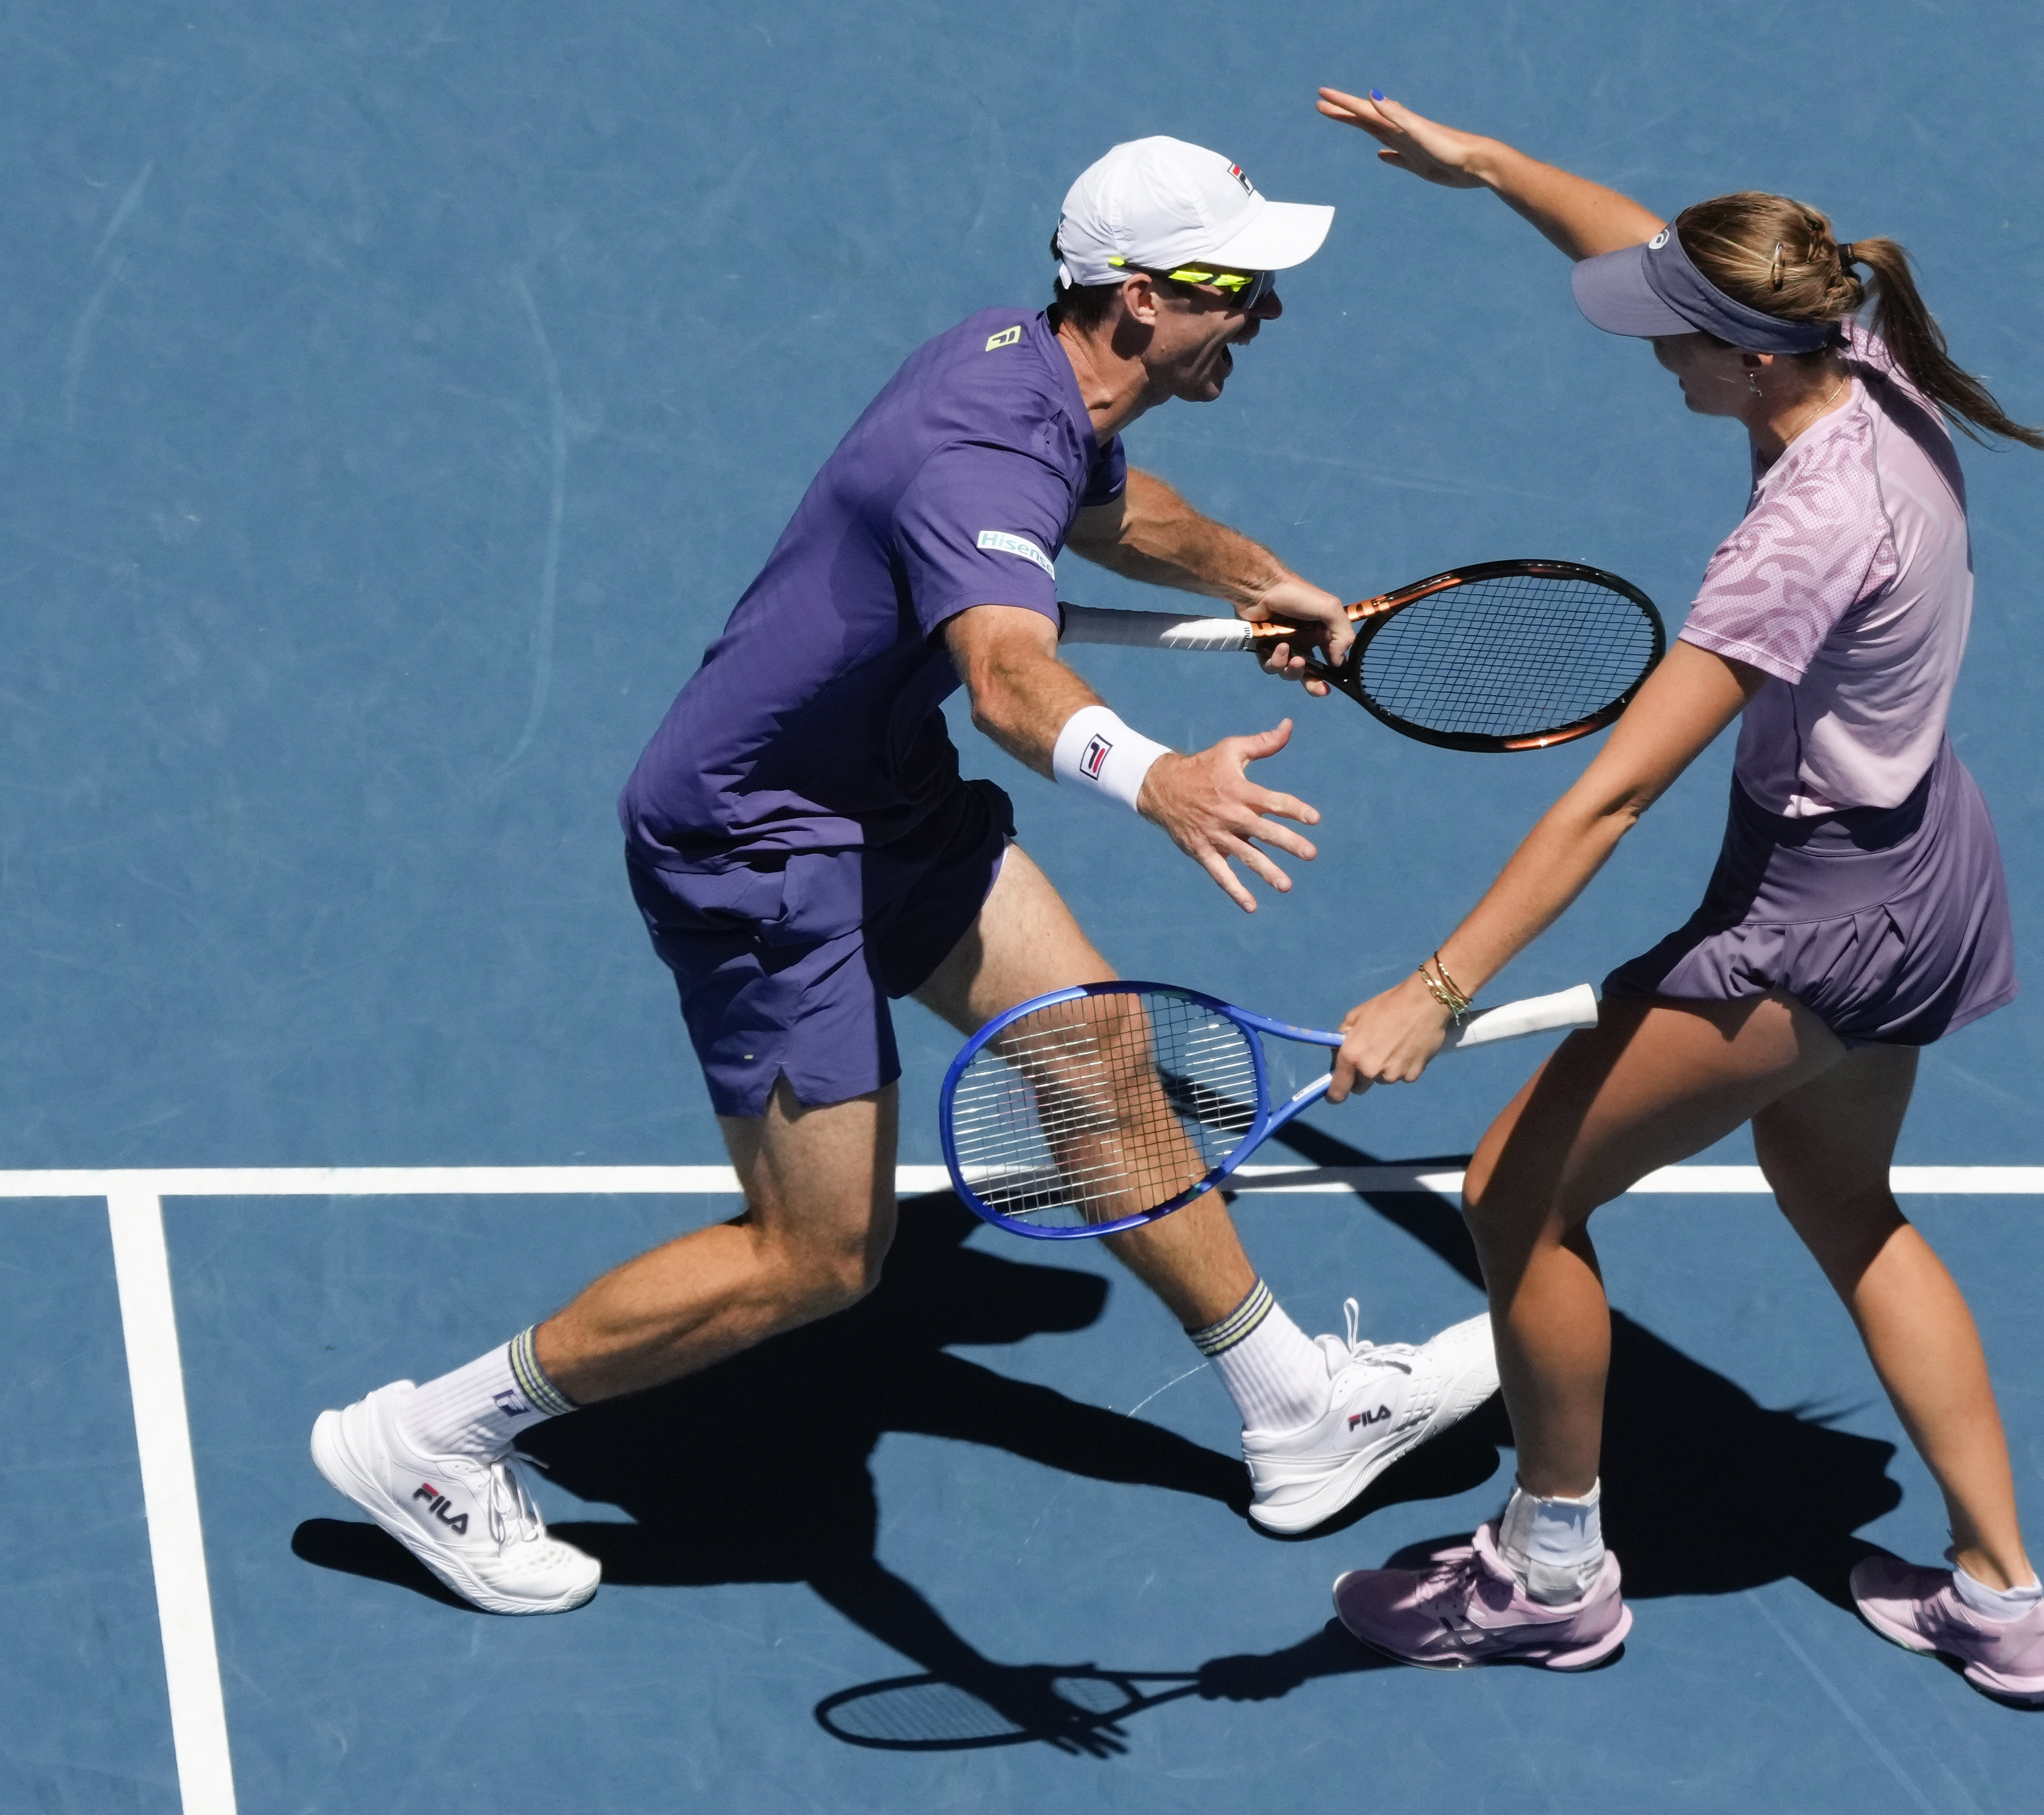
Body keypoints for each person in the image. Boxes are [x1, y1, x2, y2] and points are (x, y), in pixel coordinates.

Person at [310, 136, 1498, 1616]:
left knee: (1094, 1057)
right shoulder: (982, 451)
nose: (1265, 317)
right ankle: (431, 1442)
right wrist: (1159, 779)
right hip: (760, 848)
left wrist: (1266, 584)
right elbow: (1006, 679)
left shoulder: (1037, 374)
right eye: (1238, 293)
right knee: (816, 1258)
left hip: (878, 796)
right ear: (1140, 296)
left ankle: (1296, 1412)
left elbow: (1111, 511)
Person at [1309, 91, 2044, 1703]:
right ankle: (2004, 1601)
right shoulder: (1860, 350)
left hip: (1808, 922)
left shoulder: (1798, 540)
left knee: (1515, 1197)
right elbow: (1637, 244)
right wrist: (1487, 166)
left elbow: (1609, 797)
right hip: (1929, 869)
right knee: (1842, 1199)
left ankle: (1548, 1574)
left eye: (1677, 338)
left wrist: (1435, 989)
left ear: (1752, 360)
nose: (1655, 351)